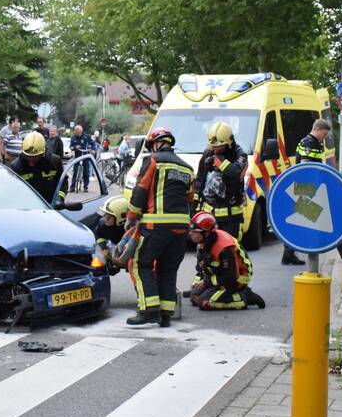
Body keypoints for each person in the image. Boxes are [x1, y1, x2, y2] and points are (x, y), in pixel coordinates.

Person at [125, 127, 193, 327]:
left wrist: (131, 216)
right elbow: (189, 197)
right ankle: (166, 315)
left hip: (156, 225)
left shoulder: (153, 160)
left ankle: (148, 311)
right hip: (181, 227)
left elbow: (141, 189)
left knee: (140, 263)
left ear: (155, 143)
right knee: (168, 269)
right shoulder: (187, 168)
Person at [282, 118, 342, 265]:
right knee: (328, 217)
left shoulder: (311, 142)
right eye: (324, 134)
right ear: (317, 129)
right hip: (307, 188)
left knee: (308, 219)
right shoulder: (309, 143)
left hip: (306, 188)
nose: (325, 137)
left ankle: (288, 254)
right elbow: (306, 168)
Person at [188, 211, 265, 310]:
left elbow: (230, 277)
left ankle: (243, 297)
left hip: (237, 278)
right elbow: (201, 268)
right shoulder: (203, 243)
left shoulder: (224, 249)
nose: (191, 234)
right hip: (219, 275)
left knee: (204, 302)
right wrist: (197, 285)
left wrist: (206, 283)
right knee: (194, 297)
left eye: (194, 231)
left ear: (206, 233)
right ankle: (221, 292)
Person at [194, 122, 248, 240]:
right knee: (206, 250)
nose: (215, 149)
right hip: (209, 214)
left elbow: (236, 173)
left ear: (228, 143)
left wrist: (221, 163)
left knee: (230, 250)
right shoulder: (208, 153)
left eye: (218, 146)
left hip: (231, 217)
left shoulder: (240, 154)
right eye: (213, 146)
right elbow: (199, 181)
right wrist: (193, 208)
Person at [10, 131, 64, 203]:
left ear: (44, 153)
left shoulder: (54, 162)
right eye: (28, 157)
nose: (31, 162)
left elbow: (63, 181)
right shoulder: (16, 166)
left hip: (50, 206)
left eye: (36, 157)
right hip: (27, 207)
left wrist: (60, 199)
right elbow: (13, 191)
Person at [94, 195, 128, 276]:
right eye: (105, 214)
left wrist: (125, 265)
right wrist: (104, 249)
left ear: (121, 219)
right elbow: (99, 236)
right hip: (116, 247)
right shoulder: (103, 224)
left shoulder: (131, 231)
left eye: (109, 217)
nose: (105, 218)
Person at [69, 125, 92, 192]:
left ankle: (85, 187)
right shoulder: (73, 138)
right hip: (77, 157)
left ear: (80, 131)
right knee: (75, 171)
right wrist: (75, 147)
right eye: (75, 131)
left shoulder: (86, 137)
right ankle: (72, 187)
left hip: (85, 156)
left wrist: (91, 148)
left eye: (77, 131)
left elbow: (92, 143)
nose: (75, 132)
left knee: (86, 172)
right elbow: (71, 147)